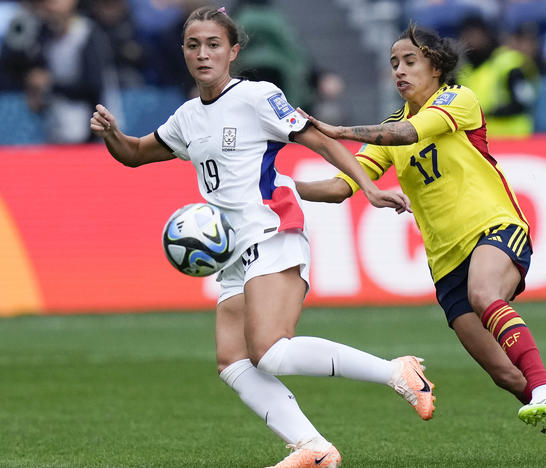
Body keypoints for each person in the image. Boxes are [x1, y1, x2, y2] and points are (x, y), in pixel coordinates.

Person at [89, 7, 434, 468]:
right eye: (193, 45)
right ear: (184, 53)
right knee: (233, 362)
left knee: (270, 352)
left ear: (233, 51)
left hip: (272, 230)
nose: (203, 54)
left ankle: (398, 371)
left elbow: (318, 139)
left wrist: (367, 186)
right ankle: (313, 448)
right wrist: (114, 134)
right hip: (231, 251)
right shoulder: (187, 117)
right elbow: (133, 153)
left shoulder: (256, 97)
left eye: (213, 44)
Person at [295, 24, 546, 462]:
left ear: (436, 67)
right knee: (504, 375)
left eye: (410, 61)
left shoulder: (457, 100)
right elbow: (343, 185)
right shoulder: (391, 126)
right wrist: (281, 187)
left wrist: (336, 131)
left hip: (494, 229)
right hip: (445, 265)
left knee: (485, 294)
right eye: (393, 64)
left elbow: (408, 136)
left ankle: (545, 388)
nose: (399, 71)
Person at [0, 0, 119, 143]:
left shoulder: (87, 33)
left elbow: (94, 86)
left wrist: (50, 84)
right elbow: (15, 65)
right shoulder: (45, 34)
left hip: (89, 129)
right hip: (56, 126)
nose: (49, 7)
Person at [455, 16, 540, 138]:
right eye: (468, 35)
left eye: (476, 34)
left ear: (486, 35)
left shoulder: (508, 62)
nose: (473, 40)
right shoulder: (462, 68)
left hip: (514, 137)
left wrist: (488, 114)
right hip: (482, 140)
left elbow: (521, 103)